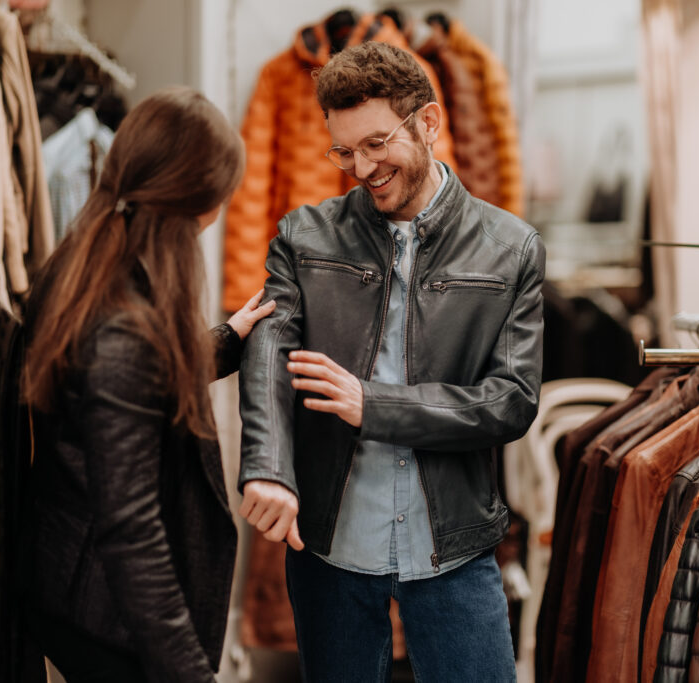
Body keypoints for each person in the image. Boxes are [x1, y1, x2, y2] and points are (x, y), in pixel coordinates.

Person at [237, 42, 545, 682]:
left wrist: (372, 404)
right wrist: (267, 468)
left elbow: (511, 399)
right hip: (329, 545)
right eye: (345, 151)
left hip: (454, 543)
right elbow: (268, 349)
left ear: (429, 122)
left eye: (376, 144)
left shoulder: (511, 248)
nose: (361, 168)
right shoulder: (304, 236)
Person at [21, 86, 273, 682]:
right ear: (194, 202)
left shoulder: (88, 260)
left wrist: (228, 338)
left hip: (69, 587)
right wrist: (190, 673)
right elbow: (131, 531)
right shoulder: (122, 326)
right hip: (106, 614)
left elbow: (122, 388)